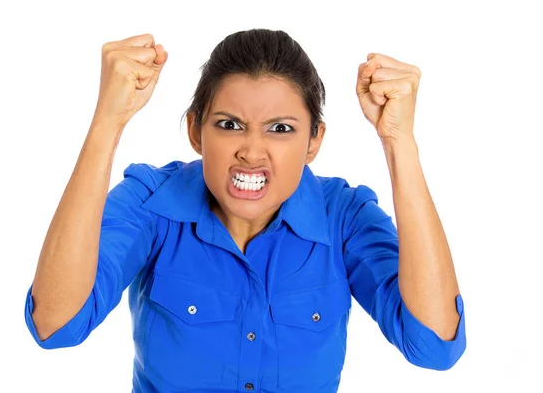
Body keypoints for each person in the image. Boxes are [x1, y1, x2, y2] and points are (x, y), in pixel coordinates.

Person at [24, 29, 466, 393]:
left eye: (280, 129)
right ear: (196, 131)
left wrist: (398, 142)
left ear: (313, 142)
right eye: (229, 125)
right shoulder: (151, 202)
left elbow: (433, 344)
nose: (252, 152)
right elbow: (56, 324)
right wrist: (108, 121)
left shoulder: (343, 217)